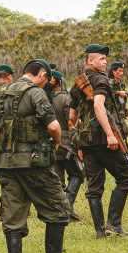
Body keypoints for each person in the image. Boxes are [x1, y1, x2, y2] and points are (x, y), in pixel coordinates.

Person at [0, 59, 74, 253]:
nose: (46, 83)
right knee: (58, 208)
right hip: (34, 163)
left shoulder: (2, 93)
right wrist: (57, 142)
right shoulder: (35, 93)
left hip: (7, 164)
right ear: (42, 74)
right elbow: (53, 126)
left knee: (12, 217)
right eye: (46, 79)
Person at [70, 44, 128, 237]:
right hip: (102, 139)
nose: (105, 62)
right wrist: (110, 134)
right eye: (101, 59)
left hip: (86, 141)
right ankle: (113, 225)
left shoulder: (78, 82)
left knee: (94, 187)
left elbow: (71, 116)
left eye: (106, 59)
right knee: (126, 178)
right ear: (90, 61)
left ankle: (100, 231)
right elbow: (99, 106)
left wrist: (78, 142)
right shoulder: (101, 79)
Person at [49, 69, 83, 222]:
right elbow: (71, 122)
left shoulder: (45, 98)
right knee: (77, 174)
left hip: (50, 141)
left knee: (58, 179)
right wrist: (78, 144)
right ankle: (67, 207)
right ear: (60, 81)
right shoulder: (65, 98)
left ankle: (59, 210)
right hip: (66, 142)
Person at [109, 62, 128, 140]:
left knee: (125, 131)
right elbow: (106, 94)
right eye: (119, 71)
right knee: (120, 133)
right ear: (113, 71)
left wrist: (126, 111)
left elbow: (122, 101)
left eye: (122, 71)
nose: (121, 73)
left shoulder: (121, 84)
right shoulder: (108, 83)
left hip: (120, 113)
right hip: (111, 113)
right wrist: (118, 93)